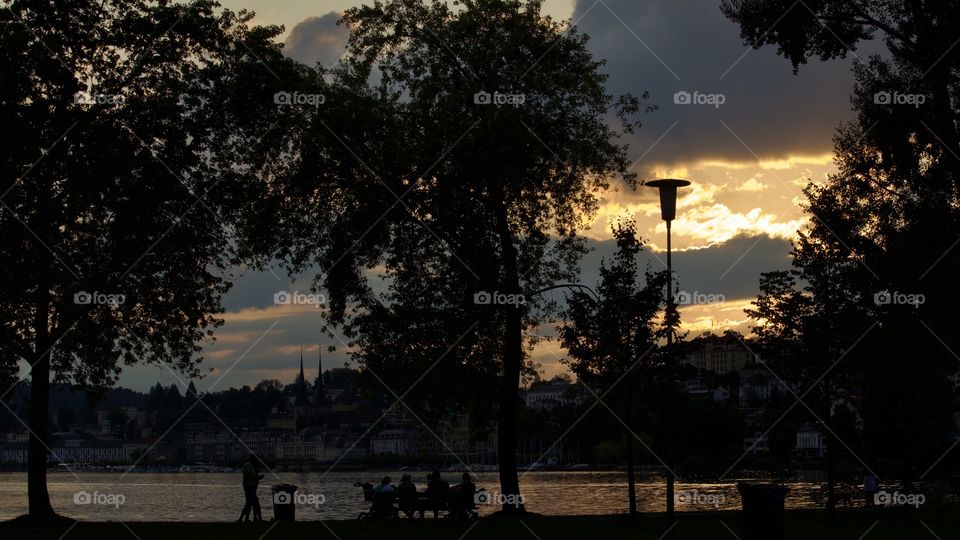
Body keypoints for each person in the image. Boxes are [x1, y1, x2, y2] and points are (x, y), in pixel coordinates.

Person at [238, 454, 264, 523]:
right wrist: (259, 477)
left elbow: (253, 475)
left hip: (251, 487)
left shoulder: (251, 466)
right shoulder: (248, 465)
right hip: (249, 487)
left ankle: (246, 519)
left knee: (249, 503)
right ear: (253, 460)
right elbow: (251, 475)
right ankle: (258, 519)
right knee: (255, 502)